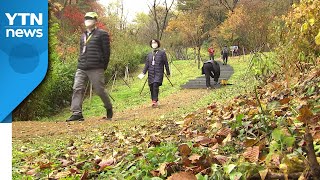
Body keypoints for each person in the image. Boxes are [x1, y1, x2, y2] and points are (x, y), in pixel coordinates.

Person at [66, 12, 113, 121]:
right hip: (82, 66)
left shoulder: (102, 34)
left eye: (91, 18)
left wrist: (103, 66)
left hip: (96, 67)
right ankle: (77, 113)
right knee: (77, 88)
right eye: (86, 18)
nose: (88, 20)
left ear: (96, 21)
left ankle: (109, 107)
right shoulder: (82, 35)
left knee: (99, 90)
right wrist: (80, 61)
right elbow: (81, 51)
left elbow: (107, 52)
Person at [140, 39, 170, 108]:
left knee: (155, 84)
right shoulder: (149, 55)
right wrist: (143, 73)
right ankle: (156, 100)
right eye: (152, 43)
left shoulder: (162, 53)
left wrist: (168, 72)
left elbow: (166, 63)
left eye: (155, 42)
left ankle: (154, 101)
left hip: (159, 72)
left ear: (158, 43)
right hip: (151, 73)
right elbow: (146, 65)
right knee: (151, 87)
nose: (154, 44)